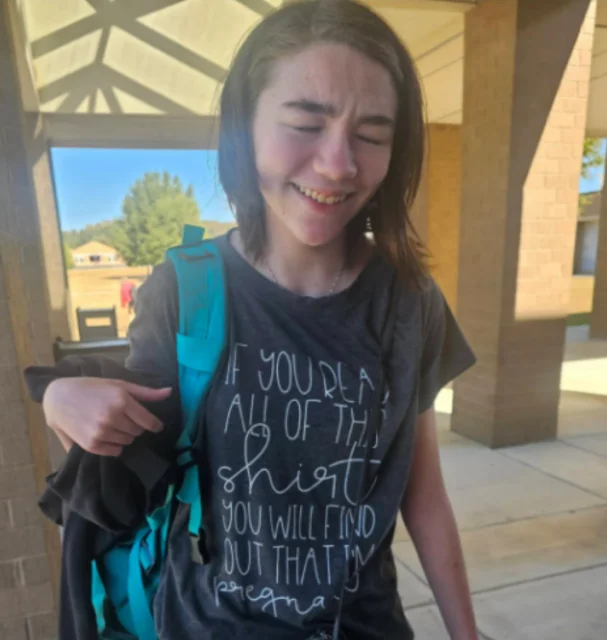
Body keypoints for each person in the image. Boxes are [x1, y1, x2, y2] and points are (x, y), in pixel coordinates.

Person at [41, 1, 478, 638]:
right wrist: (61, 399)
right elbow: (131, 463)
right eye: (306, 123)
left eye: (372, 135)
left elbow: (423, 492)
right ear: (244, 124)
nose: (338, 164)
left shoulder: (407, 301)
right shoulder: (185, 287)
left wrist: (467, 633)